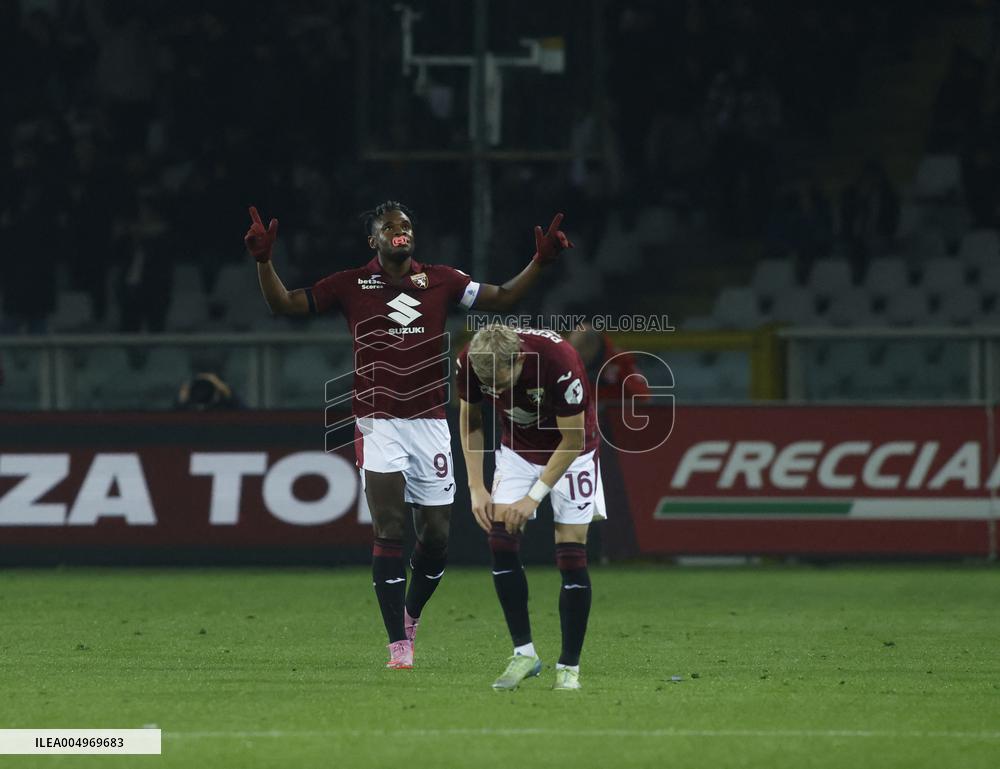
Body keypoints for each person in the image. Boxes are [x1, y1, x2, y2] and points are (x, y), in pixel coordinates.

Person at [244, 201, 573, 670]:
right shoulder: (349, 284)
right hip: (378, 422)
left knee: (437, 536)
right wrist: (264, 262)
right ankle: (398, 644)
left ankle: (411, 614)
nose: (401, 230)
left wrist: (539, 263)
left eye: (407, 224)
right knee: (389, 528)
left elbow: (501, 298)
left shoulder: (442, 280)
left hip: (431, 423)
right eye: (390, 226)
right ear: (373, 240)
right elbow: (284, 304)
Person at [457, 324, 603, 691]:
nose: (498, 392)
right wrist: (476, 486)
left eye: (502, 382)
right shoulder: (472, 362)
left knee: (571, 555)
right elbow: (472, 420)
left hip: (574, 454)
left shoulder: (560, 363)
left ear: (519, 358)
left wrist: (532, 497)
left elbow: (571, 441)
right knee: (500, 539)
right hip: (518, 451)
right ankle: (524, 653)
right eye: (490, 385)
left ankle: (569, 667)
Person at [567, 322, 650, 403]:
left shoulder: (621, 360)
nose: (581, 353)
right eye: (576, 348)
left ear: (596, 344)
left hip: (616, 414)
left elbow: (642, 397)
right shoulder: (568, 366)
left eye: (584, 347)